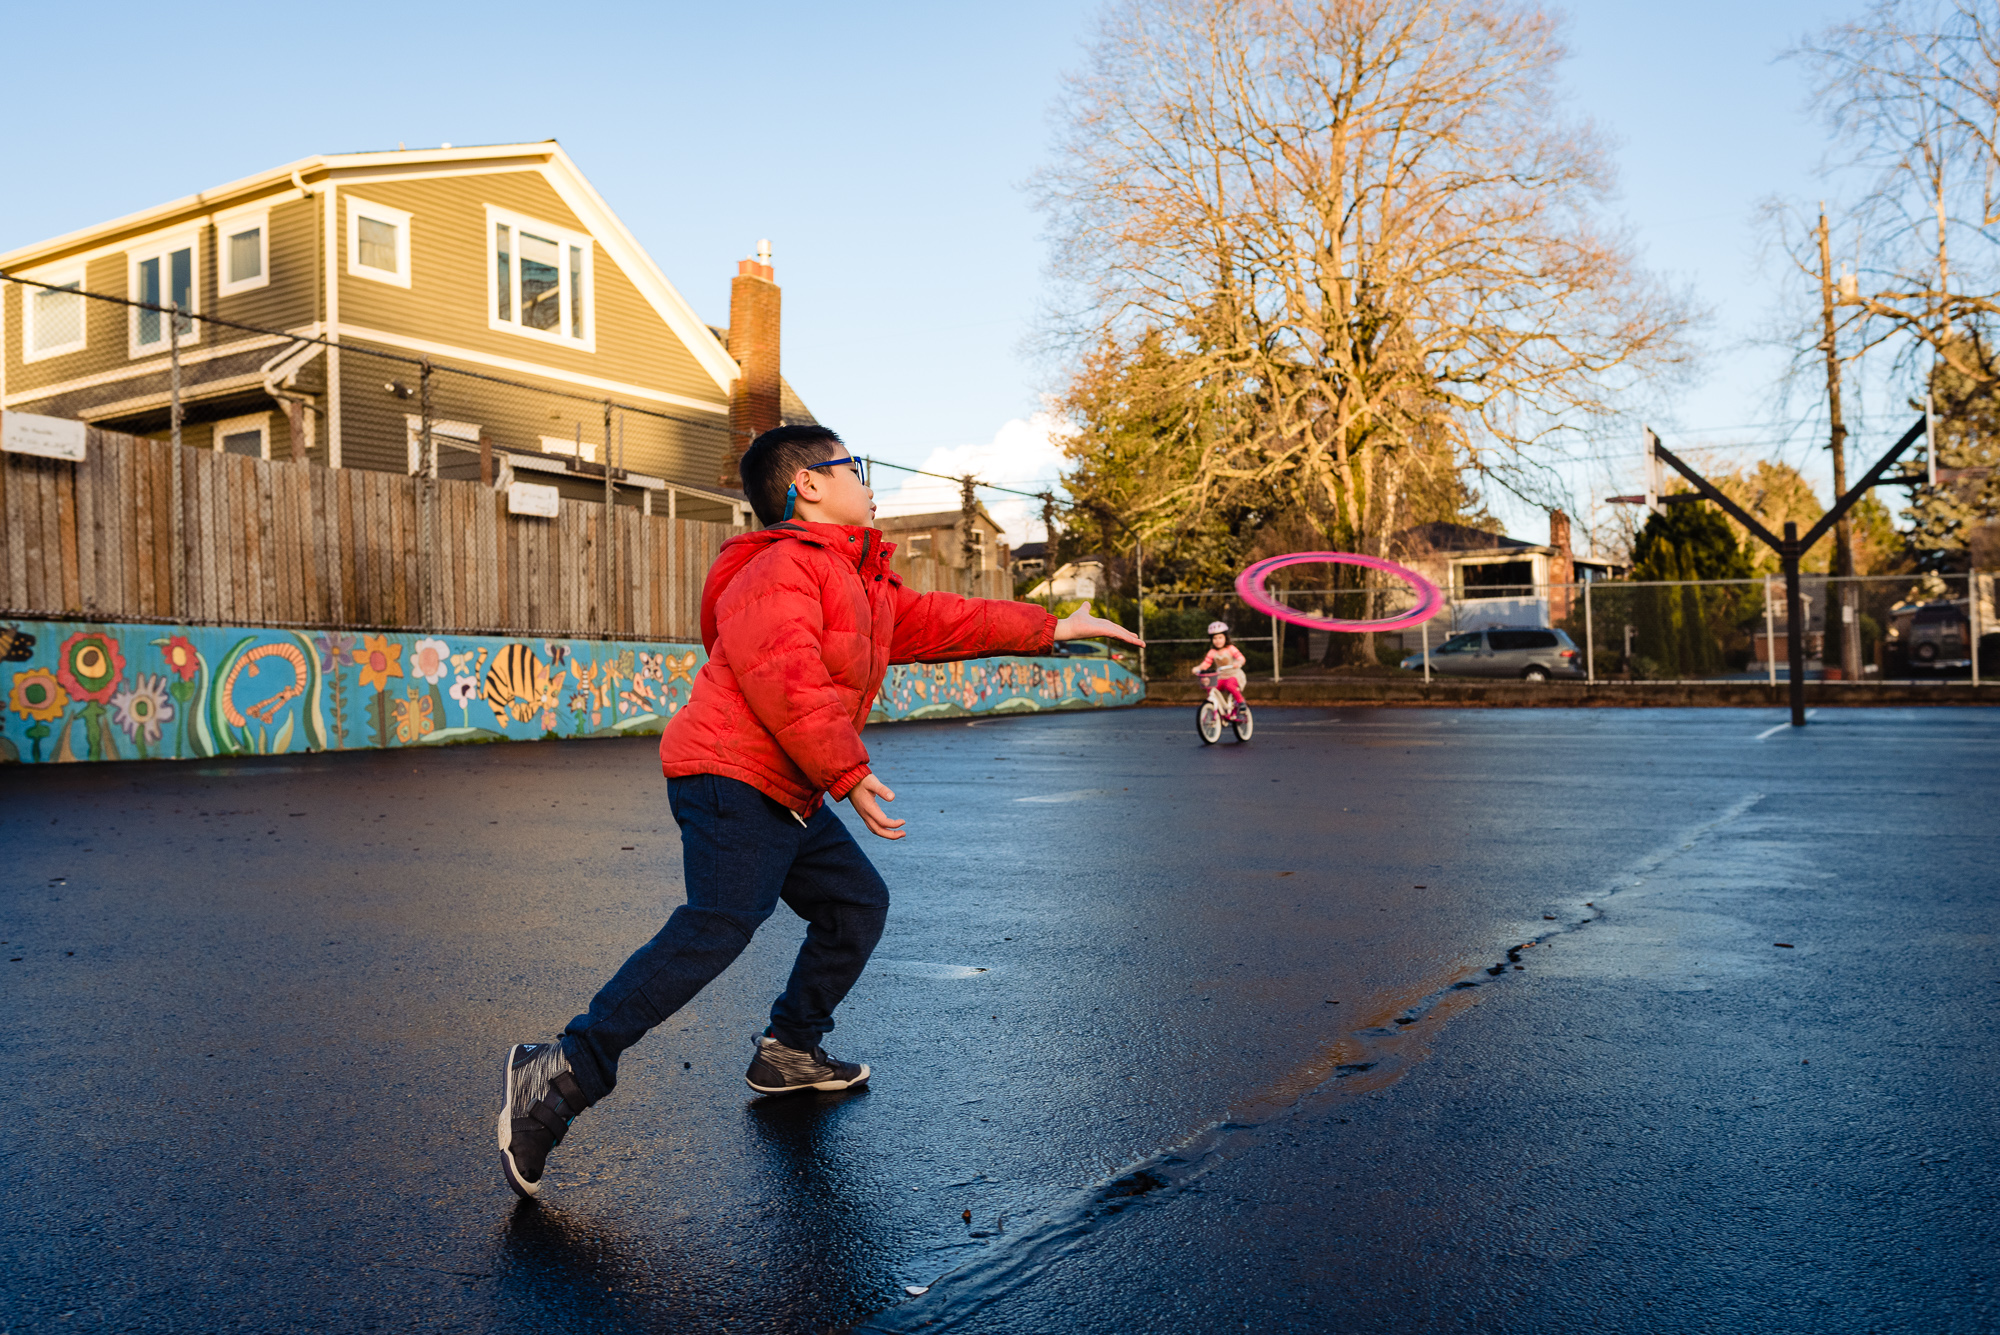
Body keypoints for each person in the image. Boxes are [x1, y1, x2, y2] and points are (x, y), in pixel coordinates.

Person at [496, 425, 1144, 1198]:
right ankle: (561, 1071)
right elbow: (787, 677)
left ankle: (789, 1050)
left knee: (854, 903)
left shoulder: (857, 580)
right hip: (732, 772)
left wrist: (1054, 627)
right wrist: (849, 771)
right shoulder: (779, 567)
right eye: (854, 467)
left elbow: (945, 619)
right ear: (808, 482)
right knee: (720, 922)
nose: (867, 481)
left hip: (783, 781)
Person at [1192, 621, 1247, 718]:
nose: (1218, 641)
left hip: (1234, 674)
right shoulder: (1212, 652)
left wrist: (1238, 663)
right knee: (1211, 686)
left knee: (1230, 685)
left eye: (1220, 637)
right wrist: (1198, 668)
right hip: (1221, 675)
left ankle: (1241, 701)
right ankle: (1214, 707)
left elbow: (1241, 658)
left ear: (1226, 637)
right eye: (1215, 638)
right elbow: (1206, 664)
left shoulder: (1230, 648)